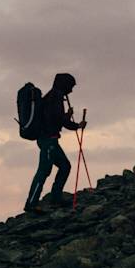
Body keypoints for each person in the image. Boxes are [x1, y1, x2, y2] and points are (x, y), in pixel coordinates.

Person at [24, 73, 87, 214]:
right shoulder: (55, 97)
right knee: (44, 171)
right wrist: (76, 125)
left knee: (65, 166)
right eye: (70, 86)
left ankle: (55, 198)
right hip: (48, 141)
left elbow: (55, 119)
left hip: (48, 140)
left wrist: (67, 117)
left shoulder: (52, 96)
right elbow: (59, 120)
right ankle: (31, 204)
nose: (71, 90)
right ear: (64, 85)